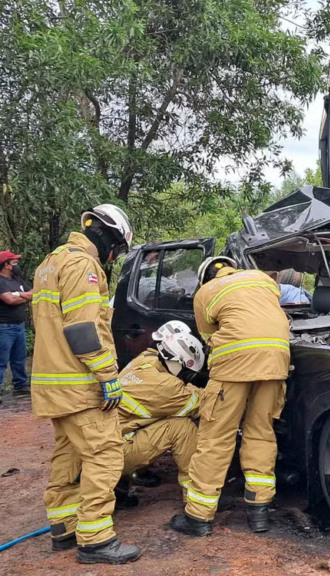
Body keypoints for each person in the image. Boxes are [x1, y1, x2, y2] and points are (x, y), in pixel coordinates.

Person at [31, 204, 141, 564]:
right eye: (118, 248)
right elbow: (83, 328)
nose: (114, 256)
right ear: (108, 234)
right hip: (78, 383)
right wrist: (108, 375)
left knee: (68, 453)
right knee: (106, 454)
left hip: (53, 381)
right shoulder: (83, 265)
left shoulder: (51, 262)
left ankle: (63, 526)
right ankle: (95, 538)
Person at [170, 256, 290, 537]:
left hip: (233, 367)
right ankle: (259, 513)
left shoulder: (205, 293)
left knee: (216, 437)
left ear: (206, 277)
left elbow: (208, 337)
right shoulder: (263, 278)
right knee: (261, 432)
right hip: (276, 362)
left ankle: (198, 516)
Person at [119, 321, 207, 501]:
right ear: (177, 363)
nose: (185, 377)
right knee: (181, 427)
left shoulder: (145, 361)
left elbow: (175, 393)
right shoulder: (165, 386)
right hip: (114, 453)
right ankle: (196, 497)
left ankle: (119, 489)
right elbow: (202, 404)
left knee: (151, 420)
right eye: (186, 372)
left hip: (100, 443)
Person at [0, 250, 33, 395]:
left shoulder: (17, 280)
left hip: (19, 326)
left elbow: (34, 293)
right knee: (2, 359)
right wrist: (24, 297)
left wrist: (19, 294)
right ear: (6, 265)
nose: (16, 264)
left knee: (19, 358)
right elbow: (9, 300)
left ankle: (20, 385)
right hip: (4, 327)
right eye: (14, 262)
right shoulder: (1, 281)